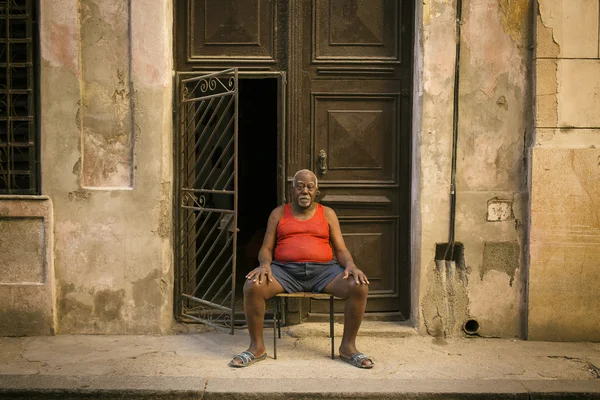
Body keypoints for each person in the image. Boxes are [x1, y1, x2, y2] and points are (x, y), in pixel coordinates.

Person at [229, 169, 374, 369]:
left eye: (309, 187)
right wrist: (264, 265)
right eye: (300, 186)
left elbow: (341, 250)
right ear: (292, 190)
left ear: (316, 191)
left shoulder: (328, 214)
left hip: (324, 272)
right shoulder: (279, 213)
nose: (304, 191)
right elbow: (266, 248)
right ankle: (257, 347)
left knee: (359, 286)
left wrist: (351, 265)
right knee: (253, 286)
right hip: (284, 271)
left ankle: (348, 347)